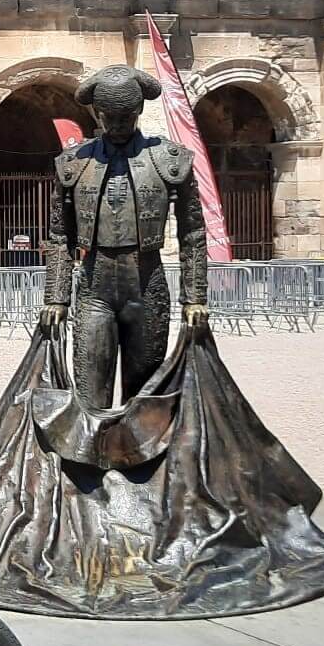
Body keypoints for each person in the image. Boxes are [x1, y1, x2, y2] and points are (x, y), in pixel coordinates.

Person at [39, 65, 209, 409]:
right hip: (93, 284)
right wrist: (57, 297)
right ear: (97, 114)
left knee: (145, 395)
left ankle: (137, 462)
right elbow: (59, 235)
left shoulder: (169, 159)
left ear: (138, 111)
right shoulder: (73, 163)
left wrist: (195, 296)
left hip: (147, 282)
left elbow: (193, 230)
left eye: (124, 117)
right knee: (90, 391)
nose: (116, 125)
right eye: (108, 117)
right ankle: (89, 461)